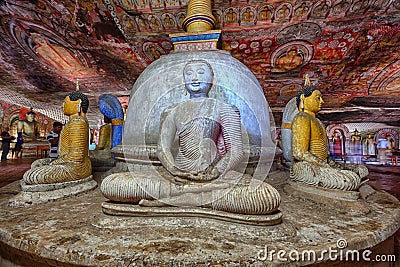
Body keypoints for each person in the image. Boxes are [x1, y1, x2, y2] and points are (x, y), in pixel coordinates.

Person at [101, 60, 281, 215]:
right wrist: (173, 169)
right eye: (189, 73)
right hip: (175, 176)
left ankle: (173, 200)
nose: (195, 77)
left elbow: (236, 152)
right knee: (112, 184)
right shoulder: (173, 111)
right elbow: (162, 147)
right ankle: (199, 199)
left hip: (213, 177)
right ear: (183, 80)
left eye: (201, 72)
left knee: (265, 197)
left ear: (213, 80)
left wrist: (214, 172)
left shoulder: (224, 109)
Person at [290, 85, 368, 191]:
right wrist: (326, 166)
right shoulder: (301, 118)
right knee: (350, 180)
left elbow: (325, 155)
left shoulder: (318, 122)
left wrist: (333, 165)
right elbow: (299, 153)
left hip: (321, 164)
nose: (322, 101)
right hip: (306, 166)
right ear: (304, 98)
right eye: (318, 98)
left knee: (361, 170)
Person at [23, 92, 92, 184]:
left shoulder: (78, 122)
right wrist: (55, 162)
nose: (62, 105)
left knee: (32, 176)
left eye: (66, 102)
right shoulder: (73, 122)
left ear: (78, 103)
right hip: (66, 161)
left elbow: (76, 157)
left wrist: (53, 163)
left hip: (76, 168)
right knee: (37, 164)